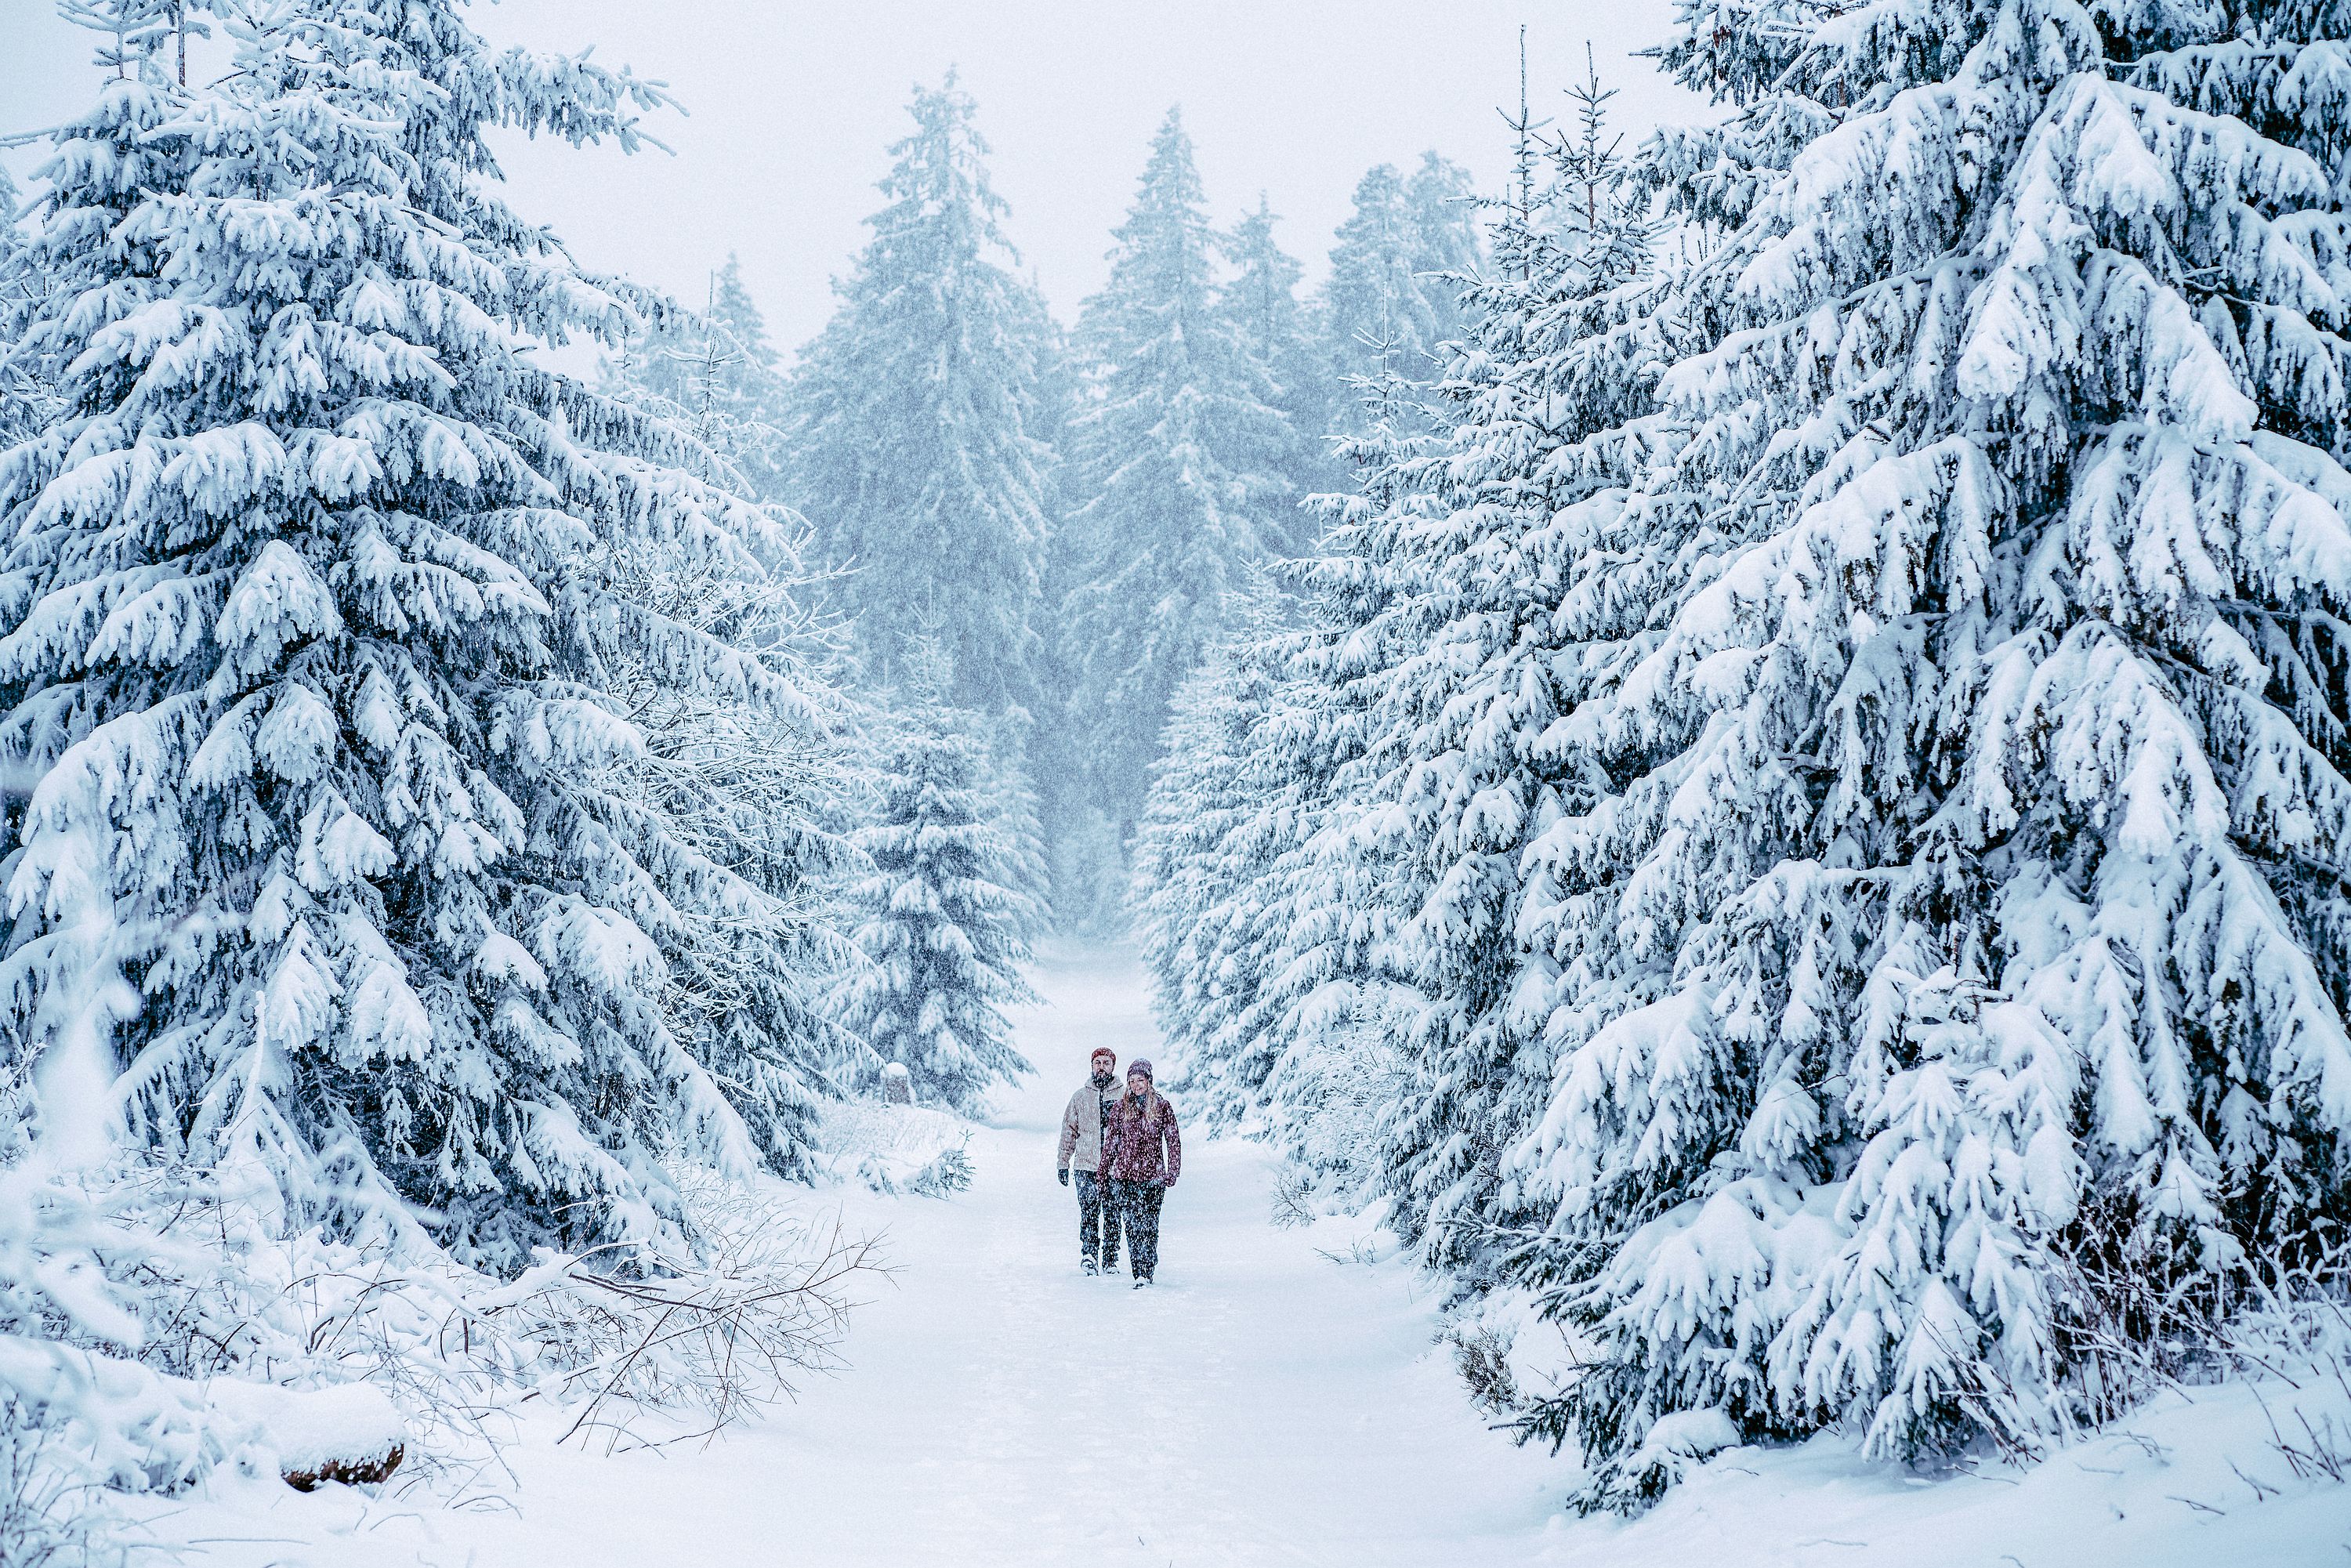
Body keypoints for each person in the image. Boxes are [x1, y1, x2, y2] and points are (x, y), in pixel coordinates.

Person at [1097, 1059, 1181, 1287]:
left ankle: (1148, 1264)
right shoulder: (1120, 1108)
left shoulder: (1162, 1106)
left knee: (1150, 1225)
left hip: (1154, 1178)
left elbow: (1173, 1139)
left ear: (1149, 1080)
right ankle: (1140, 1274)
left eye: (1140, 1080)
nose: (1136, 1085)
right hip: (1125, 1177)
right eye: (1132, 1081)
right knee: (1133, 1227)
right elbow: (1111, 1142)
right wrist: (1103, 1172)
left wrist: (1173, 1170)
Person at [1056, 1047, 1123, 1275]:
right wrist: (1063, 1163)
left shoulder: (1124, 1096)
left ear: (1113, 1067)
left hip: (1115, 1169)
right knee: (1089, 1212)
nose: (1102, 1066)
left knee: (1113, 1214)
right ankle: (1089, 1255)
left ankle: (1111, 1259)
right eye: (1098, 1063)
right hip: (1086, 1166)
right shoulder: (1080, 1097)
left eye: (1106, 1062)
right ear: (1092, 1066)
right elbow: (1069, 1131)